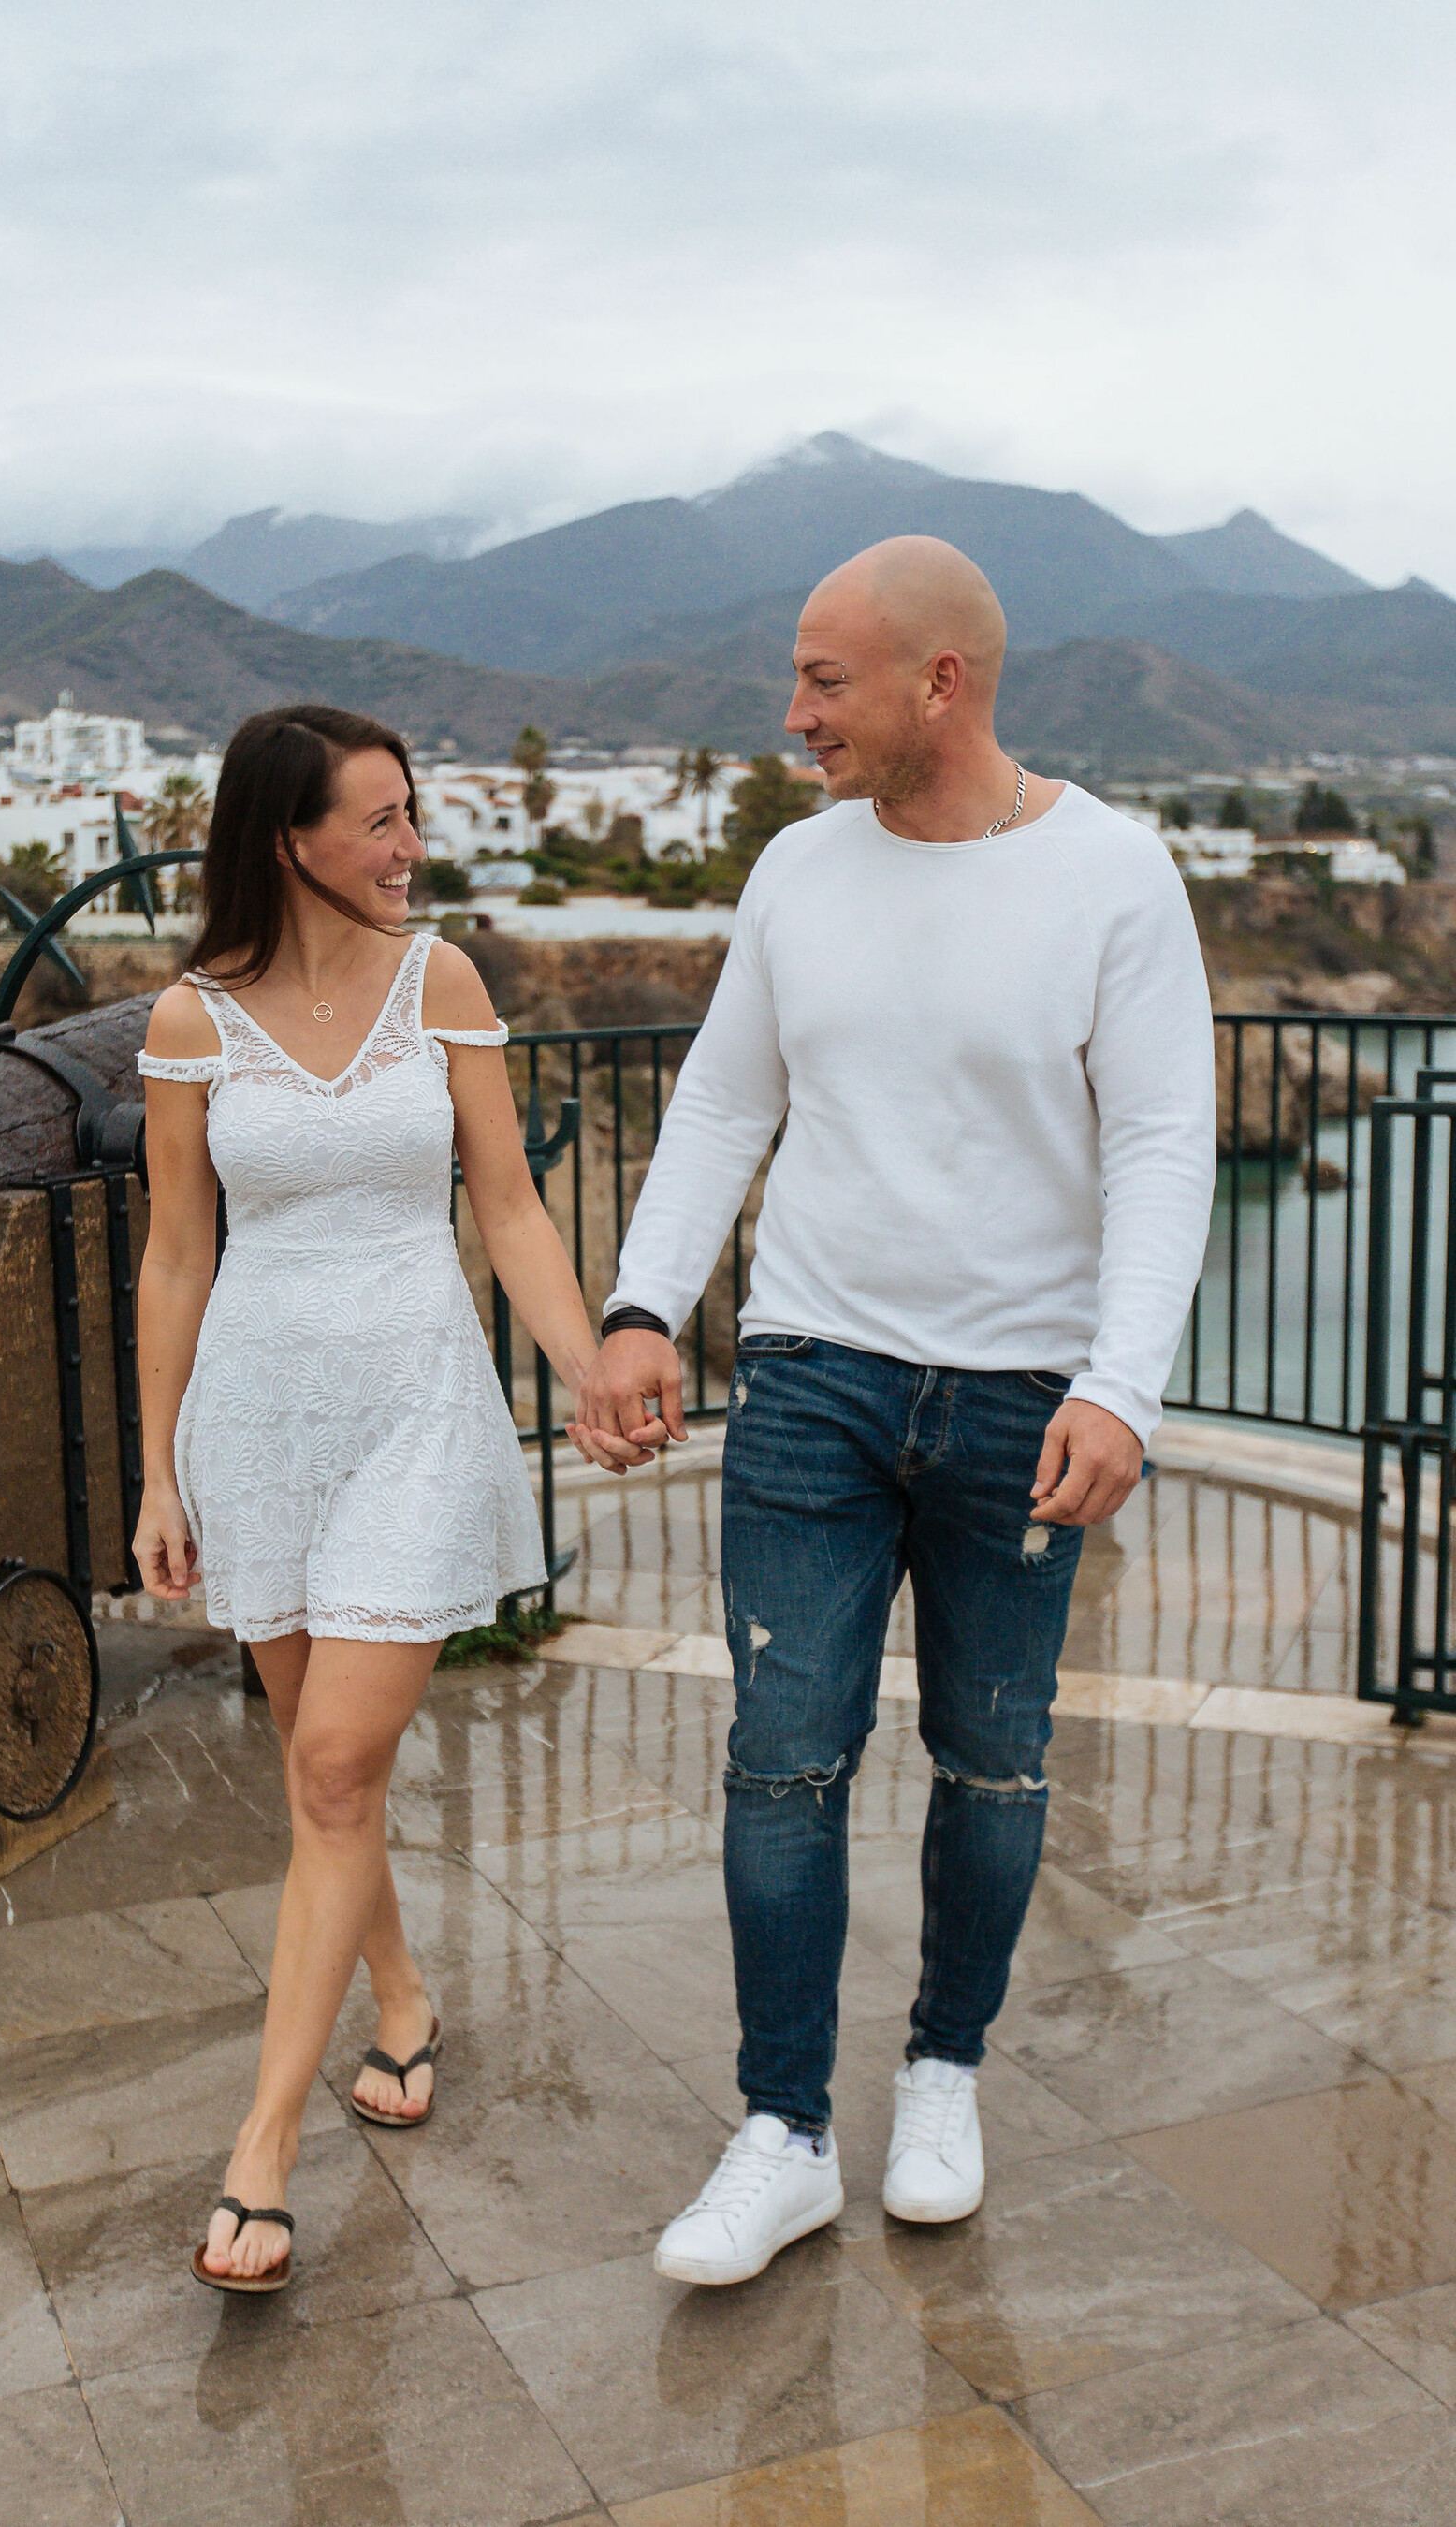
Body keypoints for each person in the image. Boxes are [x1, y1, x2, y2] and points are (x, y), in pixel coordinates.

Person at [573, 537, 1216, 2285]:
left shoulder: (1111, 877)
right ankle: (781, 2129)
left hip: (1024, 1393)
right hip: (812, 1380)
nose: (795, 718)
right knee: (781, 1758)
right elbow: (718, 1108)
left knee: (993, 1764)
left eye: (826, 682)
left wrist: (1121, 1388)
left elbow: (1163, 1145)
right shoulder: (798, 872)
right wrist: (642, 1310)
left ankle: (942, 2073)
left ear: (943, 682)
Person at [134, 704, 603, 2291]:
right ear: (291, 842)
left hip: (414, 1407)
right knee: (320, 1773)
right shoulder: (192, 1021)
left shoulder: (443, 981)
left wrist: (591, 1363)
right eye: (384, 820)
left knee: (335, 1762)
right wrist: (157, 1467)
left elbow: (514, 1215)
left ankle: (260, 2155)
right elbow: (177, 1256)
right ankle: (399, 2001)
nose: (413, 849)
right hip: (257, 1425)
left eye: (415, 816)